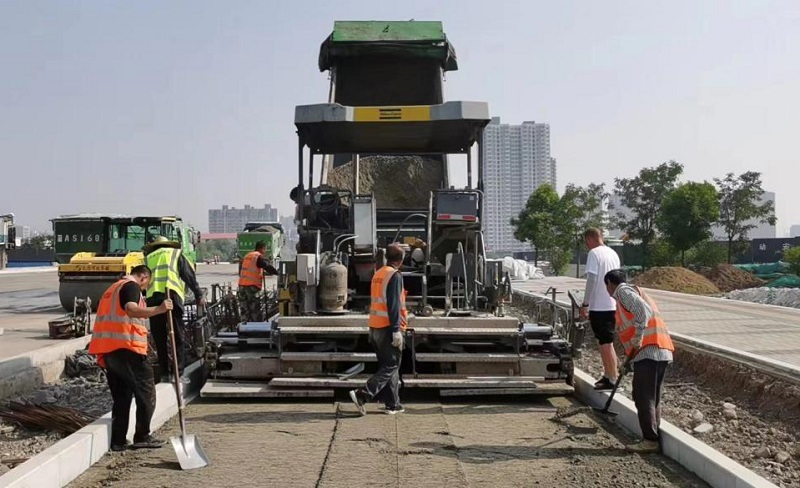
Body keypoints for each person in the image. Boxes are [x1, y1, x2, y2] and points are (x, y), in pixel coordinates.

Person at [88, 265, 172, 452]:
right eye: (146, 285)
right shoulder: (131, 286)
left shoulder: (112, 289)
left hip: (109, 350)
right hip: (127, 349)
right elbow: (131, 309)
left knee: (122, 397)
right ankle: (142, 436)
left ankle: (118, 440)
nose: (144, 288)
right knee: (146, 392)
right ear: (143, 277)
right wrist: (158, 309)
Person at [604, 269, 675, 453]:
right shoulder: (633, 292)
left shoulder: (622, 292)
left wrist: (639, 335)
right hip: (659, 350)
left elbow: (643, 311)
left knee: (643, 396)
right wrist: (628, 362)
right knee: (652, 396)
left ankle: (650, 440)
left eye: (606, 286)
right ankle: (653, 436)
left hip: (649, 350)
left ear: (610, 283)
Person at [349, 243, 408, 415]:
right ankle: (362, 394)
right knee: (392, 364)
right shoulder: (394, 275)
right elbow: (393, 304)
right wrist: (396, 330)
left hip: (375, 326)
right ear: (401, 260)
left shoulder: (379, 274)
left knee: (389, 366)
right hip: (388, 327)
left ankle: (393, 404)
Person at [143, 236, 204, 382]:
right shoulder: (175, 254)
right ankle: (179, 373)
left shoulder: (148, 258)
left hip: (153, 300)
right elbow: (189, 276)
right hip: (172, 296)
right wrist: (198, 295)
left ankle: (164, 373)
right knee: (177, 336)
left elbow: (142, 281)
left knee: (159, 338)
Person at [579, 228, 621, 391]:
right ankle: (610, 374)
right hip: (612, 304)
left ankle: (612, 379)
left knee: (605, 343)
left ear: (590, 238)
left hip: (599, 305)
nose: (586, 245)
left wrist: (586, 303)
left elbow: (592, 279)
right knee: (606, 341)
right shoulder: (613, 254)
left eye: (586, 241)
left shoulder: (594, 253)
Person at [238, 240, 279, 322]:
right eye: (265, 249)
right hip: (251, 287)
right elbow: (267, 266)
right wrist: (278, 273)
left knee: (244, 308)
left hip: (242, 285)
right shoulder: (257, 257)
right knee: (255, 309)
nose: (265, 251)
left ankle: (244, 325)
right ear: (262, 248)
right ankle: (256, 326)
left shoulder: (247, 256)